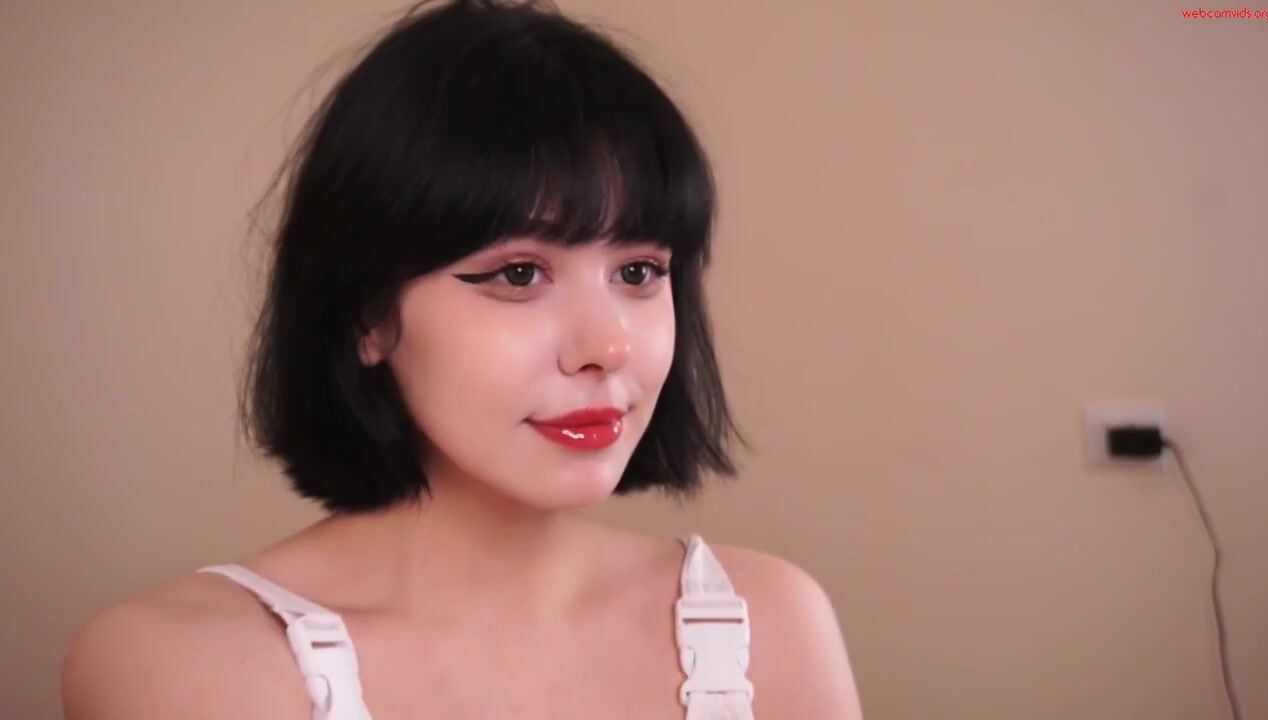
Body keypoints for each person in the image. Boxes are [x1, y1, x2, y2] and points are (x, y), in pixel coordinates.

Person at [61, 1, 863, 717]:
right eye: (519, 275)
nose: (609, 345)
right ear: (369, 313)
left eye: (638, 272)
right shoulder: (180, 666)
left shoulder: (768, 625)